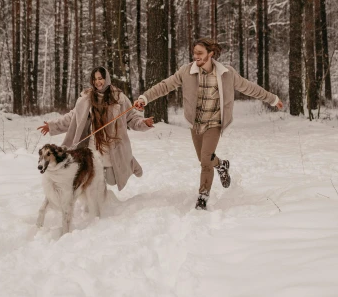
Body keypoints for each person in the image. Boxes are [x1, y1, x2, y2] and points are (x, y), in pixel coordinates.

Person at [134, 38, 283, 210]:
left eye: (200, 53)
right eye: (194, 52)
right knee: (205, 158)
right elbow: (164, 86)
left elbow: (250, 88)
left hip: (214, 123)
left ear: (210, 54)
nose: (195, 56)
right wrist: (144, 98)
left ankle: (202, 197)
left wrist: (273, 99)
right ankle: (221, 164)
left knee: (205, 160)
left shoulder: (226, 73)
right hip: (196, 124)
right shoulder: (186, 71)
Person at [38, 66, 154, 190]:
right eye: (94, 79)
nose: (97, 82)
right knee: (93, 178)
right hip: (93, 146)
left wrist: (143, 123)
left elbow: (131, 118)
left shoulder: (119, 98)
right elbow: (71, 117)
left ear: (107, 79)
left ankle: (128, 161)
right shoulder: (86, 99)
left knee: (111, 180)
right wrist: (52, 126)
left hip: (112, 146)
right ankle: (99, 200)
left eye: (100, 78)